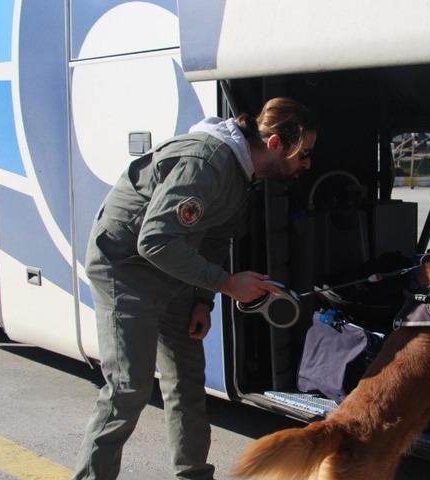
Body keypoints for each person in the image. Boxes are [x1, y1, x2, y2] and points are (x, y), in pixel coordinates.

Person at [72, 97, 318, 480]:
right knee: (128, 388)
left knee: (187, 382)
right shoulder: (208, 163)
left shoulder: (241, 173)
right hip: (127, 269)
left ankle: (194, 475)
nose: (307, 164)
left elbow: (215, 238)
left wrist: (203, 301)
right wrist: (227, 283)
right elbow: (153, 240)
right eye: (303, 154)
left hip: (176, 269)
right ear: (274, 144)